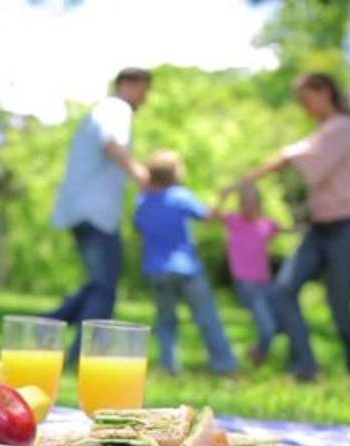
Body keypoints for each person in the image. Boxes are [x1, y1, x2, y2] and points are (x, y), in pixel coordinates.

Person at [226, 72, 350, 380]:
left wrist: (251, 177)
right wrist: (249, 179)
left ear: (326, 93)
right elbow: (292, 156)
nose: (304, 107)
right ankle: (305, 367)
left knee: (339, 306)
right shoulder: (325, 131)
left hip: (346, 229)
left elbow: (294, 157)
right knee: (283, 290)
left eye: (306, 99)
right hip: (319, 230)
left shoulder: (343, 128)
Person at [48, 67, 152, 361]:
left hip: (82, 209)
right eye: (144, 90)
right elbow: (112, 144)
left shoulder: (102, 110)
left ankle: (40, 329)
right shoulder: (116, 109)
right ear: (129, 85)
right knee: (105, 288)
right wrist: (141, 175)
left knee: (97, 284)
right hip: (96, 212)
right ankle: (86, 356)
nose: (145, 98)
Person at [134, 150, 238, 375]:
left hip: (156, 270)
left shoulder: (143, 202)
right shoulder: (181, 196)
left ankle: (169, 366)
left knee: (166, 321)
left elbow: (139, 227)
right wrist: (221, 199)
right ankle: (225, 366)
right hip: (186, 268)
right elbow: (208, 217)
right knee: (207, 317)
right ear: (175, 173)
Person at [213, 183, 281, 366]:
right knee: (268, 327)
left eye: (253, 203)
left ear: (259, 205)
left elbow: (289, 231)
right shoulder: (234, 221)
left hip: (266, 283)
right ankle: (259, 355)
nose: (249, 207)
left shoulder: (267, 225)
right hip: (246, 283)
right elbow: (211, 215)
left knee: (277, 322)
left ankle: (257, 352)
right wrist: (224, 195)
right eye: (246, 203)